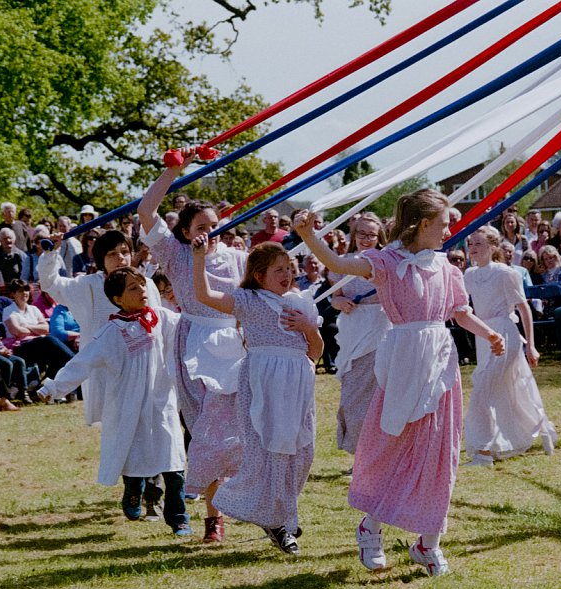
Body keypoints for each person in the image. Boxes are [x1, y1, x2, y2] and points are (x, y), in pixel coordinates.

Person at [293, 189, 505, 577]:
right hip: (404, 359)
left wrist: (489, 333)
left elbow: (459, 312)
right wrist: (309, 237)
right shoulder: (386, 262)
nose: (449, 230)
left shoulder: (446, 267)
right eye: (443, 224)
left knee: (440, 448)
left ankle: (429, 543)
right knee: (396, 444)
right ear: (423, 225)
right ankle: (370, 526)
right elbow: (336, 261)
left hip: (440, 362)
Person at [139, 149, 247, 544]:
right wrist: (173, 171)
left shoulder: (238, 258)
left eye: (215, 225)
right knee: (207, 431)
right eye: (201, 226)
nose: (209, 232)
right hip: (194, 344)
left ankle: (244, 503)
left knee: (238, 431)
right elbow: (146, 211)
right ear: (185, 231)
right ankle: (213, 518)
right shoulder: (175, 253)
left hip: (235, 345)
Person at [191, 238, 322, 555]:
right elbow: (204, 295)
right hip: (264, 383)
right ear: (260, 275)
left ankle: (278, 511)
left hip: (296, 387)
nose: (286, 275)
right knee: (270, 451)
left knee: (302, 453)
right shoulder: (248, 300)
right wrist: (197, 259)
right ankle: (278, 521)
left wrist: (308, 328)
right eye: (278, 270)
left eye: (289, 269)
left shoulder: (300, 305)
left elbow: (315, 354)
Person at [38, 268, 191, 536]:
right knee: (133, 454)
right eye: (133, 288)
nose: (142, 291)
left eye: (142, 285)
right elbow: (81, 363)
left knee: (173, 460)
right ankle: (133, 491)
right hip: (128, 406)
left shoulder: (162, 319)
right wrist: (54, 386)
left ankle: (178, 517)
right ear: (117, 299)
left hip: (160, 401)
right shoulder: (111, 332)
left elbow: (191, 326)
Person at [463, 226, 555, 467]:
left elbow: (523, 308)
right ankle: (541, 427)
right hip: (483, 335)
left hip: (506, 334)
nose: (473, 248)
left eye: (479, 243)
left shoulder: (506, 273)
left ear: (493, 247)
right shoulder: (469, 275)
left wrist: (530, 346)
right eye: (471, 243)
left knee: (483, 389)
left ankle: (482, 452)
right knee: (510, 390)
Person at [326, 213, 390, 460]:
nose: (365, 238)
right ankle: (359, 451)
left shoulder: (385, 262)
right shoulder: (342, 263)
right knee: (352, 394)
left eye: (371, 234)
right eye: (361, 233)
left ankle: (377, 455)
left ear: (379, 237)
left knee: (378, 393)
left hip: (381, 329)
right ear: (354, 235)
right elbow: (334, 297)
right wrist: (340, 301)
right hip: (353, 329)